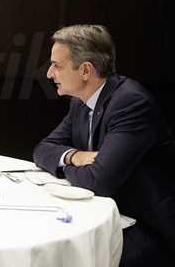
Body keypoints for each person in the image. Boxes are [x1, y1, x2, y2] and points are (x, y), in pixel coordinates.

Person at [33, 24, 175, 266]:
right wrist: (75, 156)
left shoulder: (130, 102)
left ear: (86, 70)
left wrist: (70, 167)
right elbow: (43, 149)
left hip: (146, 227)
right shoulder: (80, 101)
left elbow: (99, 181)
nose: (49, 74)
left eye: (57, 65)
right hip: (106, 214)